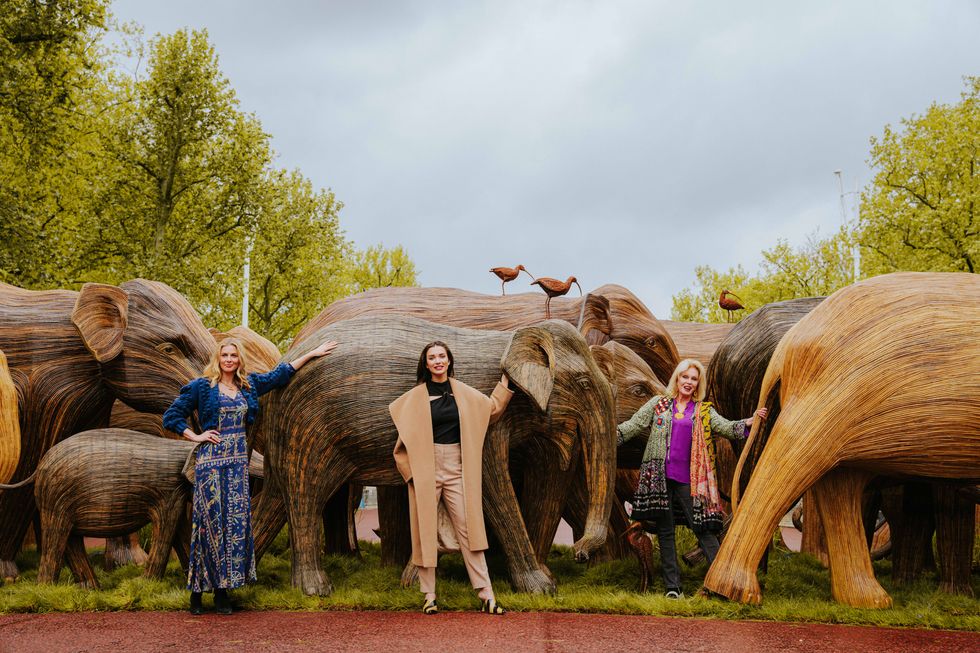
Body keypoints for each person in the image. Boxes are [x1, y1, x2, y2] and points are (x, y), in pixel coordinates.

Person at [163, 337, 338, 615]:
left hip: (236, 467)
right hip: (210, 465)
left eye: (234, 355)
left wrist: (313, 353)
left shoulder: (249, 386)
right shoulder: (202, 387)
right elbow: (172, 416)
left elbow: (280, 374)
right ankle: (197, 592)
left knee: (232, 527)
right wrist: (196, 436)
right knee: (208, 526)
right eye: (225, 355)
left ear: (239, 359)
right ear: (218, 359)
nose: (229, 359)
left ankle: (222, 591)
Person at [617, 358, 767, 598]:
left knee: (703, 529)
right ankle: (672, 587)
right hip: (659, 479)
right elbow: (633, 426)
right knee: (665, 532)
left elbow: (728, 428)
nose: (688, 382)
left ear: (698, 384)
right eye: (684, 377)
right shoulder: (659, 404)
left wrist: (750, 421)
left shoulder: (703, 411)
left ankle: (724, 580)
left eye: (693, 379)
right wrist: (607, 436)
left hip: (691, 480)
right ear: (677, 378)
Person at [389, 341, 513, 615]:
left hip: (458, 468)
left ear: (448, 361)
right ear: (426, 363)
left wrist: (506, 382)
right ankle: (429, 596)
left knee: (470, 531)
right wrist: (413, 476)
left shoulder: (463, 393)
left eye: (441, 356)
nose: (437, 361)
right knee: (424, 532)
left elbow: (491, 408)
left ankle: (487, 595)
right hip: (426, 469)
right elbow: (401, 447)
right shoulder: (414, 399)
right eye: (432, 357)